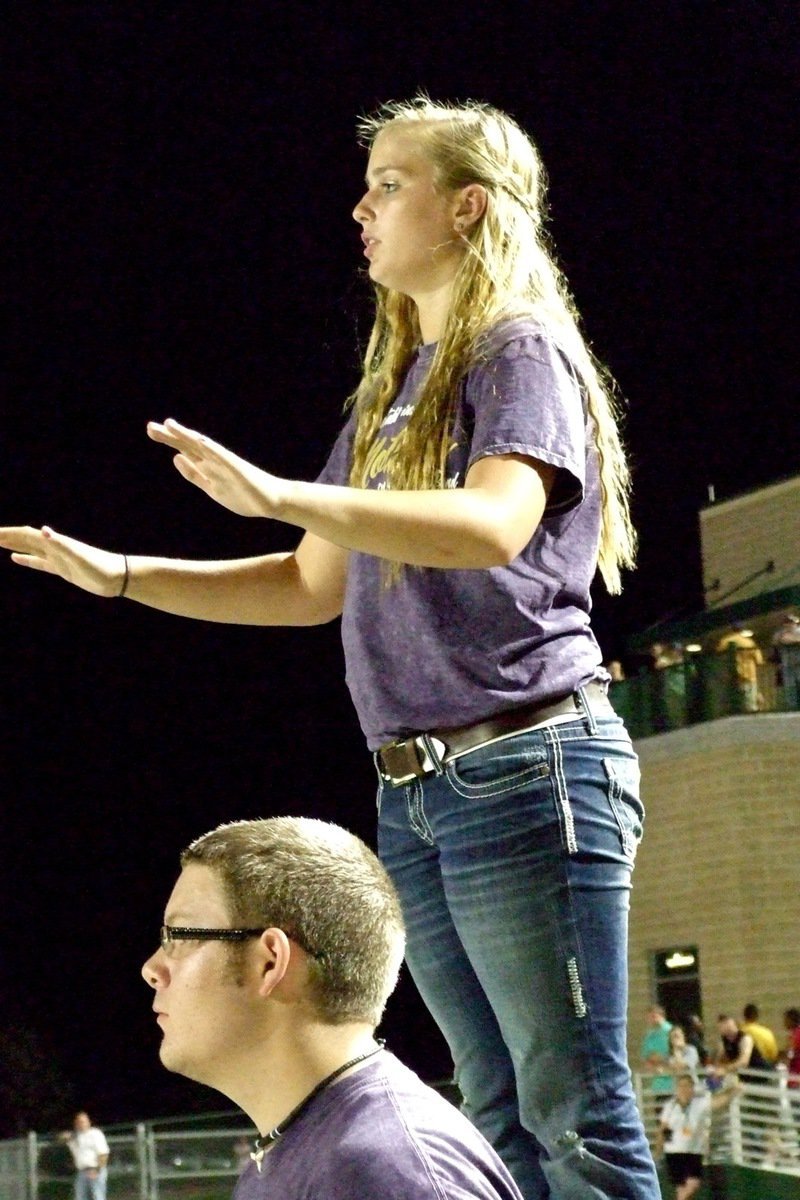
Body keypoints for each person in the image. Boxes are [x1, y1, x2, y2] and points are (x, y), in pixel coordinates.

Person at [0, 96, 658, 1198]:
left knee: (572, 1117)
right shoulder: (394, 391)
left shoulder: (520, 350)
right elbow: (310, 585)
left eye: (388, 183)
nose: (360, 206)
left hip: (524, 765)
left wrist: (281, 493)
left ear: (466, 208)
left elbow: (494, 521)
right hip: (415, 790)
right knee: (491, 1105)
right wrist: (118, 575)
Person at [142, 815, 524, 1199]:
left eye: (180, 936)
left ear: (270, 962)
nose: (152, 969)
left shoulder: (382, 1170)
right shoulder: (310, 1151)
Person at [656, 1073, 741, 1200]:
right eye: (681, 1086)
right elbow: (663, 1129)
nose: (683, 1090)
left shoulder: (699, 1104)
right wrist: (658, 1151)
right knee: (686, 1186)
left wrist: (733, 1091)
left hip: (694, 1152)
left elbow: (718, 1102)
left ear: (692, 1088)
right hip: (675, 1152)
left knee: (690, 1187)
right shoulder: (670, 1106)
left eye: (687, 1086)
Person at [58, 1111, 110, 1200]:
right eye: (78, 1122)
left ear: (89, 1122)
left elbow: (103, 1153)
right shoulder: (75, 1137)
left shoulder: (95, 1134)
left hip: (95, 1170)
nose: (81, 1124)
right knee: (80, 1197)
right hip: (81, 1172)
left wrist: (97, 1170)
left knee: (98, 1197)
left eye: (83, 1121)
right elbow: (60, 1139)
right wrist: (64, 1136)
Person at [712, 1014, 773, 1084]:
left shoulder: (746, 1039)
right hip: (746, 1078)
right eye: (722, 1027)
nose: (727, 1029)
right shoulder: (723, 1042)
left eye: (729, 1026)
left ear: (734, 1025)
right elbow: (718, 1061)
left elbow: (743, 1062)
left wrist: (725, 1069)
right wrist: (718, 1069)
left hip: (762, 1075)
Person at [716, 625, 764, 712]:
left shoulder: (724, 641)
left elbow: (718, 657)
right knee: (750, 702)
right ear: (741, 630)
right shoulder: (748, 642)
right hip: (748, 674)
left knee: (731, 702)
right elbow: (759, 660)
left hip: (729, 676)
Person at [641, 1005, 673, 1100]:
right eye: (649, 1017)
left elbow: (676, 1056)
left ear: (661, 1015)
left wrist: (660, 1059)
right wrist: (654, 1060)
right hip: (658, 1085)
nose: (651, 1020)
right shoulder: (649, 1035)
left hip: (674, 1084)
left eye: (653, 1016)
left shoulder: (671, 1031)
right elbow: (645, 1058)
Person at [772, 612, 800, 707]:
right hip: (787, 665)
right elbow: (780, 640)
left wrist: (794, 639)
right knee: (790, 688)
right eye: (787, 622)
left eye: (791, 622)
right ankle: (792, 707)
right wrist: (794, 640)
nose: (789, 624)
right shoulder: (780, 634)